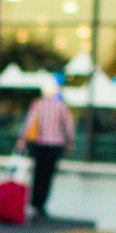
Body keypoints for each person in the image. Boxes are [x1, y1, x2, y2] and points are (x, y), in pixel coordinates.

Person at [15, 79, 75, 222]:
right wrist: (69, 142)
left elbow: (29, 123)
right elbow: (68, 126)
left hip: (39, 144)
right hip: (55, 145)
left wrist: (22, 140)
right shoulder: (61, 106)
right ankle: (41, 205)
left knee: (37, 173)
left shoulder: (38, 105)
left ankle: (34, 203)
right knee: (48, 175)